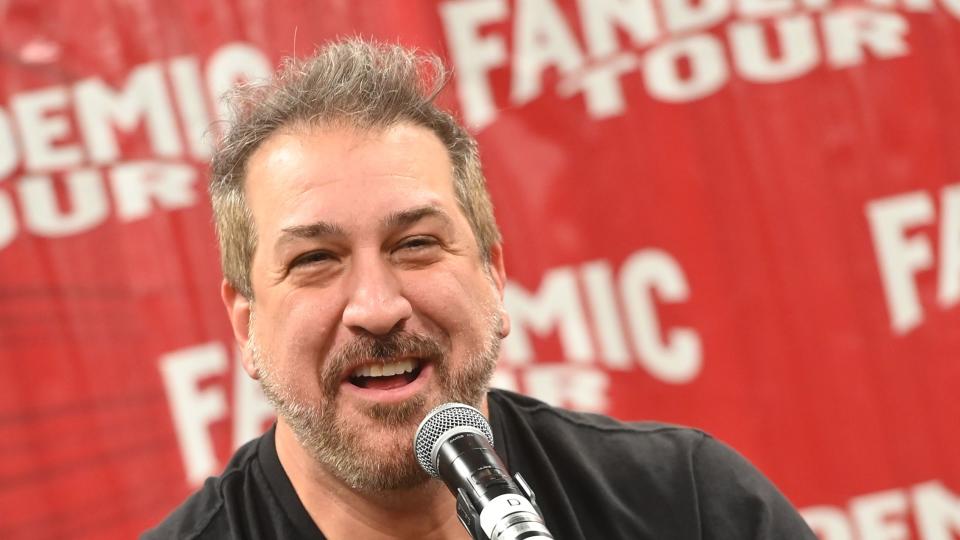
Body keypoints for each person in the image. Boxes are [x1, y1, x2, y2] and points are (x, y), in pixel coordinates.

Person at [144, 38, 816, 539]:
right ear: (245, 324)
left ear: (493, 274)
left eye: (415, 245)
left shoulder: (688, 504)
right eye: (316, 259)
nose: (378, 308)